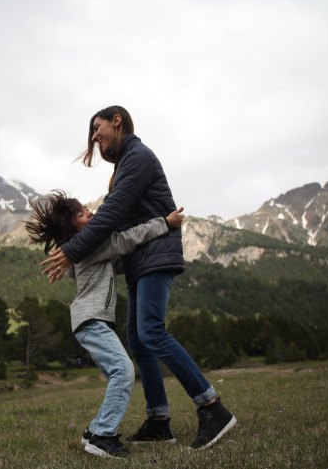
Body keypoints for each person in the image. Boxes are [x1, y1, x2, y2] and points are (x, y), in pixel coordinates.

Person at [41, 106, 237, 450]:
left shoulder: (138, 158)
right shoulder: (123, 166)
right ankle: (159, 420)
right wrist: (73, 249)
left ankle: (212, 407)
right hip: (141, 258)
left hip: (156, 251)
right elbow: (110, 225)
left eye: (97, 128)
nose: (94, 138)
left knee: (150, 331)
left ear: (117, 120)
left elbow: (112, 218)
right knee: (138, 339)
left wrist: (73, 250)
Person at [25, 190, 185, 459]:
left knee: (119, 372)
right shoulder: (92, 246)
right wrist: (164, 224)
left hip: (89, 322)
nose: (88, 212)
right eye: (80, 213)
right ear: (71, 228)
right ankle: (102, 435)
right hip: (91, 321)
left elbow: (115, 260)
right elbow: (126, 240)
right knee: (123, 371)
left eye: (84, 208)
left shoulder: (87, 250)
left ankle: (95, 431)